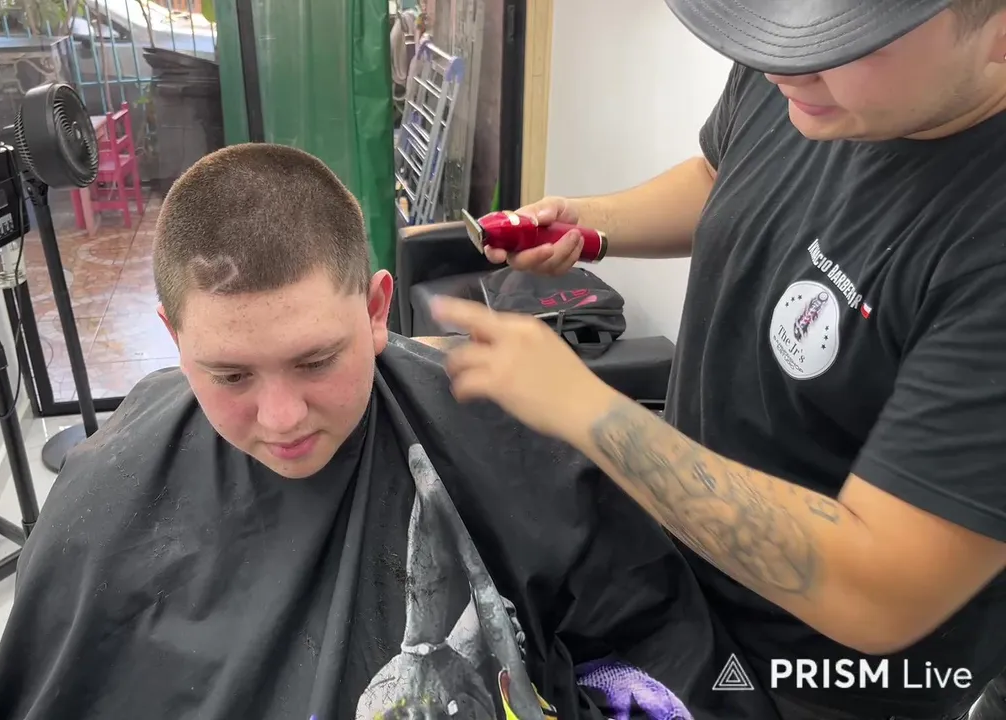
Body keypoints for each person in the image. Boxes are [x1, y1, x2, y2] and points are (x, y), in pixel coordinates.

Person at [0, 144, 776, 720]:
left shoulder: (504, 433)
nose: (283, 419)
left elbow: (654, 637)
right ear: (173, 338)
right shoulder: (105, 496)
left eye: (317, 360)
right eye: (231, 376)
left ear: (377, 309)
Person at [429, 2, 1006, 720]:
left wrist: (591, 414)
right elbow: (721, 173)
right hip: (678, 583)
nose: (781, 68)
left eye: (843, 44)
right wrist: (591, 227)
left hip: (816, 680)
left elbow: (879, 588)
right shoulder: (795, 59)